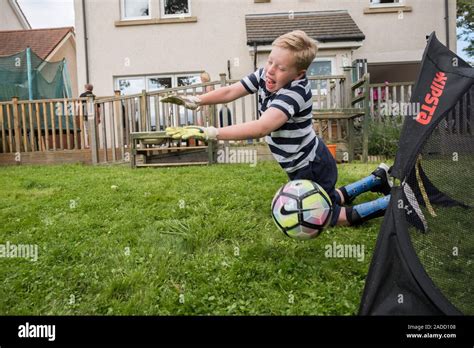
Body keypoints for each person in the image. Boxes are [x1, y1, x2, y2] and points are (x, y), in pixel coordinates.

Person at [163, 30, 392, 226]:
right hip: (300, 163)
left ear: (298, 73)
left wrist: (213, 132)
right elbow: (232, 91)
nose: (271, 70)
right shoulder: (266, 74)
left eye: (280, 68)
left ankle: (389, 204)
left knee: (321, 216)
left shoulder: (296, 92)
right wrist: (198, 100)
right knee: (327, 198)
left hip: (311, 165)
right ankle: (376, 180)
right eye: (270, 61)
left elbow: (263, 127)